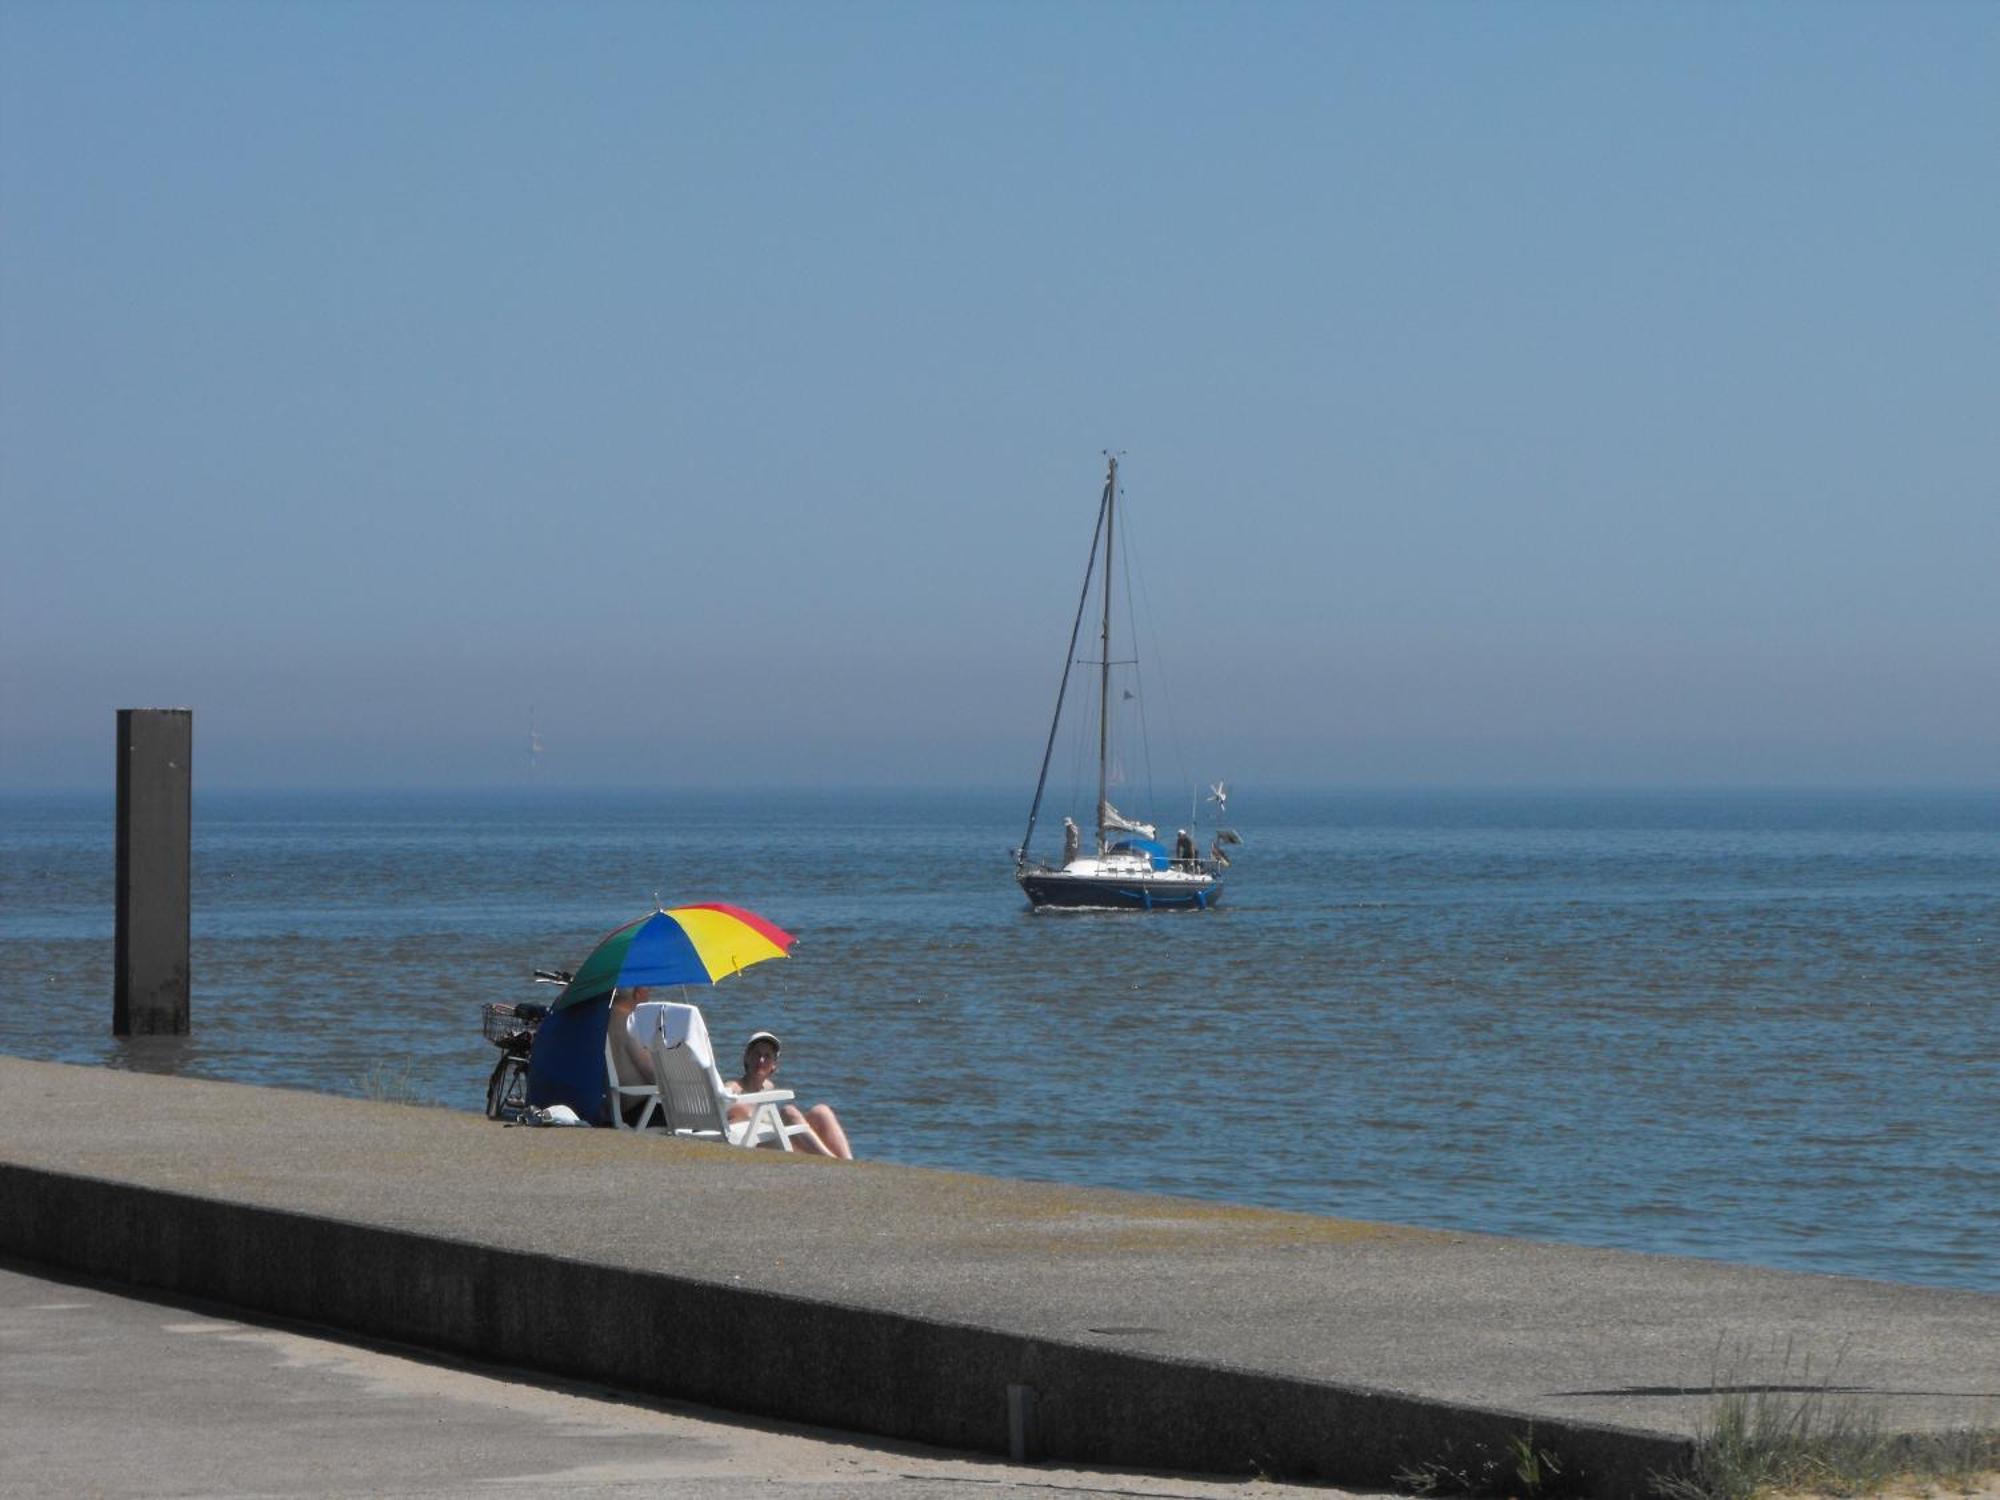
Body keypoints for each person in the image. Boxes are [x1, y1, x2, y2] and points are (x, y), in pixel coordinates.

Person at [727, 1031, 853, 1159]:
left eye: (767, 1056)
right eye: (756, 1054)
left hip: (781, 1141)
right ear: (746, 1058)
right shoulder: (734, 1088)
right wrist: (742, 1109)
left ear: (774, 1065)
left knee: (821, 1111)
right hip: (761, 1147)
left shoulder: (768, 1087)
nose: (761, 1060)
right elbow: (721, 1105)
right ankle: (834, 1161)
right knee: (789, 1111)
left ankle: (848, 1161)